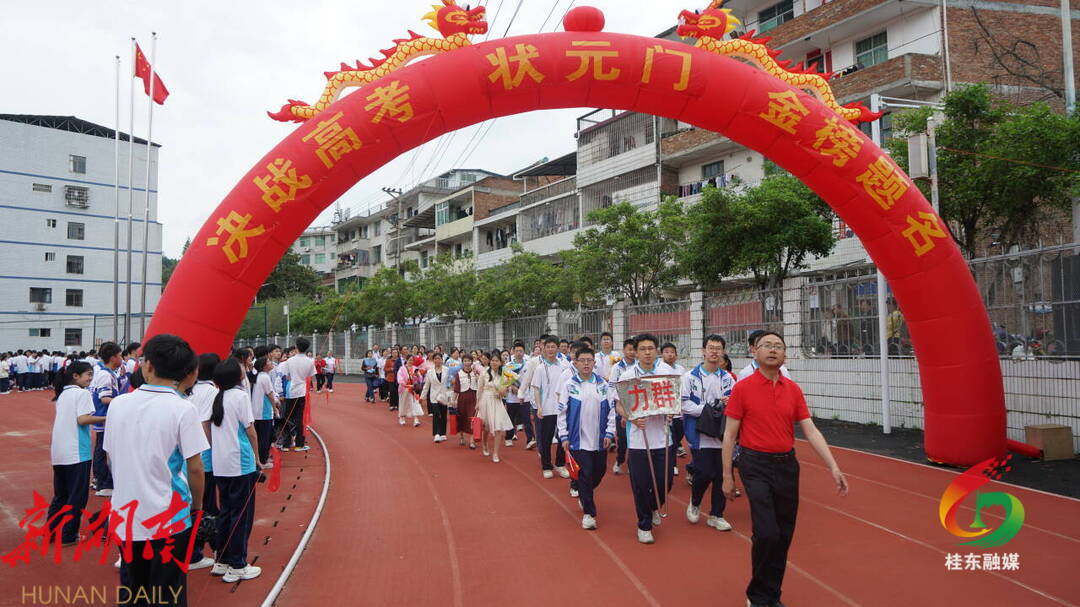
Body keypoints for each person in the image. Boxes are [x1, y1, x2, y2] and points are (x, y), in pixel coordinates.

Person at [722, 331, 849, 607]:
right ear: (754, 352)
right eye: (767, 345)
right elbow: (730, 435)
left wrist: (833, 466)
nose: (773, 350)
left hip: (787, 467)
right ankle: (758, 596)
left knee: (783, 535)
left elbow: (810, 430)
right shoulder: (742, 388)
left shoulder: (793, 389)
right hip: (754, 465)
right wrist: (727, 476)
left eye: (778, 346)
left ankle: (772, 595)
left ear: (785, 355)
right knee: (766, 532)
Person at [106, 334, 207, 606]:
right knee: (168, 592)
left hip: (125, 515)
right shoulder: (183, 409)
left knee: (132, 588)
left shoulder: (118, 404)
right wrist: (197, 507)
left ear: (147, 365)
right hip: (170, 517)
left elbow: (110, 457)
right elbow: (195, 468)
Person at [616, 333, 676, 544]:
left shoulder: (666, 372)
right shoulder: (627, 375)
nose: (647, 352)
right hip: (638, 440)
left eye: (651, 348)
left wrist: (672, 412)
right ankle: (644, 525)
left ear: (656, 350)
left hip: (663, 438)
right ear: (636, 352)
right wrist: (631, 417)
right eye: (642, 349)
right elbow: (619, 404)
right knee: (641, 485)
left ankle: (653, 506)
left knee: (665, 481)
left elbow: (674, 400)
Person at [209, 358, 263, 583]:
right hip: (240, 463)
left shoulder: (217, 396)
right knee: (241, 515)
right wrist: (258, 458)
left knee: (226, 512)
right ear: (237, 376)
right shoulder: (240, 396)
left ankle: (222, 559)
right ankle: (237, 564)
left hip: (221, 463)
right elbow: (250, 430)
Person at [681, 334, 735, 532]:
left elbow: (734, 403)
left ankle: (716, 514)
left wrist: (728, 404)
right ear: (703, 351)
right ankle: (695, 502)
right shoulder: (690, 377)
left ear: (723, 352)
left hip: (721, 432)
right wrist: (709, 409)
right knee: (704, 472)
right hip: (700, 432)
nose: (714, 352)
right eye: (711, 348)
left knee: (721, 474)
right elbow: (684, 404)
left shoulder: (727, 378)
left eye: (718, 348)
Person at [557, 347, 616, 530]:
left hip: (599, 440)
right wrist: (563, 436)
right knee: (585, 474)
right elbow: (562, 413)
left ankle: (584, 494)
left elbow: (612, 411)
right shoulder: (569, 385)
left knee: (599, 472)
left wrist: (610, 432)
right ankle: (589, 514)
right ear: (575, 363)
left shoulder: (603, 385)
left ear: (594, 363)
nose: (586, 364)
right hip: (578, 440)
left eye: (589, 360)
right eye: (582, 360)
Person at [48, 361, 104, 546]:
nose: (90, 378)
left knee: (61, 495)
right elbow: (82, 419)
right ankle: (69, 535)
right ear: (76, 376)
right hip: (77, 452)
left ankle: (52, 532)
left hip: (60, 452)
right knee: (77, 496)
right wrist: (107, 418)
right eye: (88, 374)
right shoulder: (82, 393)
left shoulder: (63, 394)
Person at [187, 353, 221, 573]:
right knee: (206, 505)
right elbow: (205, 423)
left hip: (186, 455)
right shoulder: (212, 392)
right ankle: (204, 550)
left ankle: (197, 550)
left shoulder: (189, 390)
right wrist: (208, 449)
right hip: (203, 457)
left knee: (193, 504)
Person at [530, 336, 571, 479]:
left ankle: (560, 464)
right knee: (545, 439)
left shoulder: (564, 367)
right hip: (546, 409)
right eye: (548, 347)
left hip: (561, 409)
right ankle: (546, 466)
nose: (550, 350)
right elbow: (536, 389)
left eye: (553, 347)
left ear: (557, 348)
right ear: (544, 349)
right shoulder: (540, 368)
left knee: (562, 437)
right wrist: (539, 407)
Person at [90, 342, 122, 498]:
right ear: (113, 357)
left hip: (104, 417)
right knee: (103, 451)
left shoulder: (105, 372)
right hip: (105, 417)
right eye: (120, 355)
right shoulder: (105, 374)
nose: (122, 358)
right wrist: (124, 401)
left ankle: (100, 481)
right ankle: (104, 484)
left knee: (102, 450)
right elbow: (104, 398)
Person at [476, 351, 515, 462]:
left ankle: (495, 453)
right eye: (492, 360)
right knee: (486, 427)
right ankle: (484, 444)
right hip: (485, 400)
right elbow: (479, 389)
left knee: (498, 427)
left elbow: (506, 392)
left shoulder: (505, 374)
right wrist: (477, 403)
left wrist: (503, 392)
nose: (494, 362)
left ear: (500, 362)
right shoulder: (484, 373)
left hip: (497, 401)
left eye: (496, 361)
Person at [278, 338, 315, 452]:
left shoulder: (289, 361)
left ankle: (286, 444)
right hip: (301, 391)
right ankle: (299, 444)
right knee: (299, 418)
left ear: (296, 347)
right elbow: (310, 375)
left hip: (291, 390)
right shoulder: (310, 361)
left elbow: (285, 375)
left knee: (288, 416)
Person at [607, 338, 637, 475]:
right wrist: (617, 407)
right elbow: (612, 388)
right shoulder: (616, 367)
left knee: (635, 438)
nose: (632, 352)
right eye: (629, 349)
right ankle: (619, 460)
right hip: (621, 406)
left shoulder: (639, 366)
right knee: (623, 438)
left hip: (637, 406)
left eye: (634, 350)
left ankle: (632, 464)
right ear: (624, 351)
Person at [661, 342, 689, 465]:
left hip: (679, 409)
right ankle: (672, 464)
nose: (670, 354)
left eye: (672, 352)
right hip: (666, 409)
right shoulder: (659, 369)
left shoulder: (681, 369)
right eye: (666, 352)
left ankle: (677, 446)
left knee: (680, 432)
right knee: (670, 437)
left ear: (676, 355)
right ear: (661, 354)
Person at [251, 356, 279, 469]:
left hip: (256, 412)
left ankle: (260, 458)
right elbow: (270, 395)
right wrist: (275, 408)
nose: (271, 363)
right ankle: (262, 460)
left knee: (259, 437)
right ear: (263, 366)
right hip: (264, 412)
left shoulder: (258, 376)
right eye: (268, 361)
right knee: (264, 438)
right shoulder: (265, 377)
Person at [503, 342, 532, 447]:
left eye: (521, 351)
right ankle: (508, 437)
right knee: (510, 418)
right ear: (513, 352)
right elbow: (505, 381)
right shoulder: (508, 365)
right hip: (512, 397)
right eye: (517, 351)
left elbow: (531, 379)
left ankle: (530, 439)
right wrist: (512, 387)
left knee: (526, 419)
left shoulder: (528, 364)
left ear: (524, 352)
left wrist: (522, 389)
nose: (519, 353)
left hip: (525, 396)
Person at [420, 353, 452, 443]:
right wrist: (422, 397)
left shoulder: (447, 370)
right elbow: (426, 385)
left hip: (444, 395)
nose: (437, 360)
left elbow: (450, 383)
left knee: (443, 414)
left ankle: (443, 433)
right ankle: (437, 433)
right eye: (436, 359)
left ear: (442, 360)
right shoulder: (430, 372)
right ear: (433, 360)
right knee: (436, 414)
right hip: (434, 396)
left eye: (439, 358)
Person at [452, 353, 479, 448]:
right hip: (462, 398)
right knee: (462, 417)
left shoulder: (476, 373)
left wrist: (478, 377)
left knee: (473, 417)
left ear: (472, 362)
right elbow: (456, 388)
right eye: (465, 361)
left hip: (474, 397)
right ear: (462, 362)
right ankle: (462, 437)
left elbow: (480, 385)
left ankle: (472, 440)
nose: (467, 363)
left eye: (469, 361)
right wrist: (453, 400)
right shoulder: (459, 374)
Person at [396, 356, 425, 427]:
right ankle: (402, 417)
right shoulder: (402, 368)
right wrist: (404, 384)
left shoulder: (415, 368)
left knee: (414, 403)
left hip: (413, 389)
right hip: (404, 388)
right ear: (407, 360)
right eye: (409, 360)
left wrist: (418, 376)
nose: (411, 361)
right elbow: (399, 378)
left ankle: (416, 419)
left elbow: (420, 379)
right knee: (403, 403)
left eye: (412, 360)